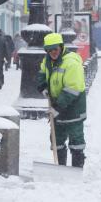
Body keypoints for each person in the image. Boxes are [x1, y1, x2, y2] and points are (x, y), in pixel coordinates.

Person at [37, 33, 87, 168]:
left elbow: (72, 89)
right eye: (49, 50)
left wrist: (57, 107)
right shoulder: (47, 61)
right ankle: (60, 168)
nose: (52, 52)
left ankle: (77, 168)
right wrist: (42, 87)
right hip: (57, 106)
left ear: (61, 47)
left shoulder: (71, 63)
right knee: (56, 140)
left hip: (73, 108)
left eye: (55, 49)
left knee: (76, 140)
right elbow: (42, 74)